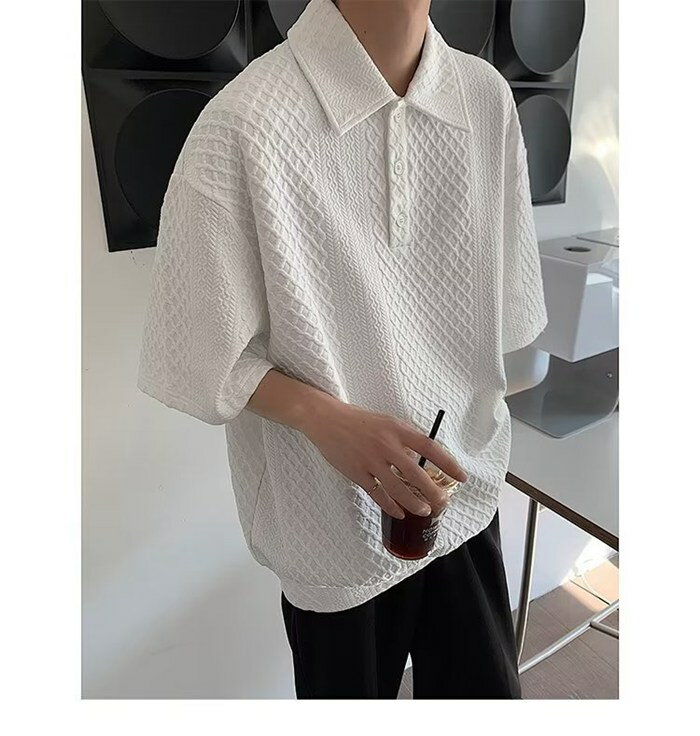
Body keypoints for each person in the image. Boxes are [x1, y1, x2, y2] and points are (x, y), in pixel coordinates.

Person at [137, 0, 547, 699]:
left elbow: (509, 309)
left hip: (462, 488)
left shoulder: (485, 98)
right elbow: (198, 354)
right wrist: (324, 418)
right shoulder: (245, 123)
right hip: (325, 521)